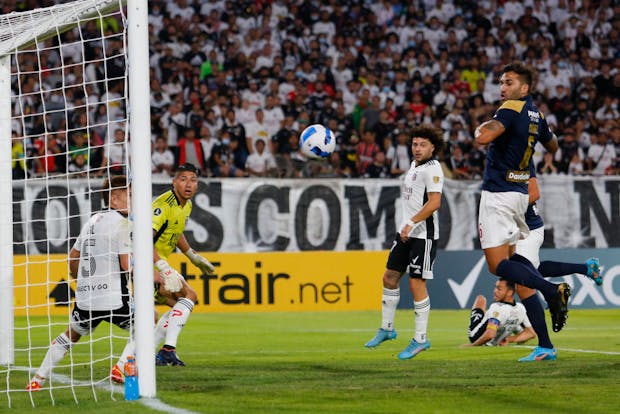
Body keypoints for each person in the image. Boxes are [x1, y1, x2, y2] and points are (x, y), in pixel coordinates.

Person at [474, 63, 572, 349]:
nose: (503, 88)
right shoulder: (536, 114)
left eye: (510, 82)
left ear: (525, 87)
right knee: (517, 264)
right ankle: (545, 344)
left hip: (498, 194)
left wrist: (483, 128)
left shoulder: (510, 109)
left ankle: (551, 290)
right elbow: (552, 145)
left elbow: (484, 136)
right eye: (502, 82)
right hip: (519, 195)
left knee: (497, 266)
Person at [27, 176, 132, 391]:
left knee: (70, 334)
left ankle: (38, 378)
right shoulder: (124, 224)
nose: (134, 200)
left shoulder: (92, 221)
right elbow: (126, 265)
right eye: (129, 196)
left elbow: (72, 257)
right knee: (150, 323)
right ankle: (121, 367)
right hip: (114, 298)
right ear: (114, 199)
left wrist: (82, 281)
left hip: (86, 299)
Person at [364, 125, 444, 360]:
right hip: (406, 233)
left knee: (416, 284)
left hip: (423, 235)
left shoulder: (433, 168)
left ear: (433, 148)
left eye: (423, 145)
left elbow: (434, 203)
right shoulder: (413, 166)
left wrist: (411, 222)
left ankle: (420, 339)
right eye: (415, 144)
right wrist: (405, 226)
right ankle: (387, 329)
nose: (417, 149)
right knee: (389, 277)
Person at [510, 171, 601, 361]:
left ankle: (545, 346)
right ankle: (586, 268)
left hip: (527, 229)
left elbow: (534, 194)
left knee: (523, 283)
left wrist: (505, 206)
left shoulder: (522, 156)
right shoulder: (505, 157)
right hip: (517, 228)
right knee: (533, 270)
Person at [151, 163, 215, 366]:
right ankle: (163, 351)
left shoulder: (186, 205)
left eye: (193, 180)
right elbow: (142, 239)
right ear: (174, 182)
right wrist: (163, 267)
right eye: (183, 179)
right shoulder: (164, 205)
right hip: (145, 264)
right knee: (188, 297)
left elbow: (176, 232)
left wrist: (192, 256)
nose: (188, 184)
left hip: (156, 264)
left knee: (183, 304)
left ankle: (161, 351)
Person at [465, 279, 536, 347]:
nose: (495, 291)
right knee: (513, 323)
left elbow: (489, 335)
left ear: (510, 292)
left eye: (499, 289)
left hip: (476, 337)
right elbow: (531, 333)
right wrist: (509, 339)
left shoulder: (496, 307)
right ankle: (506, 325)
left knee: (480, 299)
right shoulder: (521, 308)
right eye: (495, 288)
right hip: (502, 327)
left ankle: (491, 317)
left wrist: (472, 345)